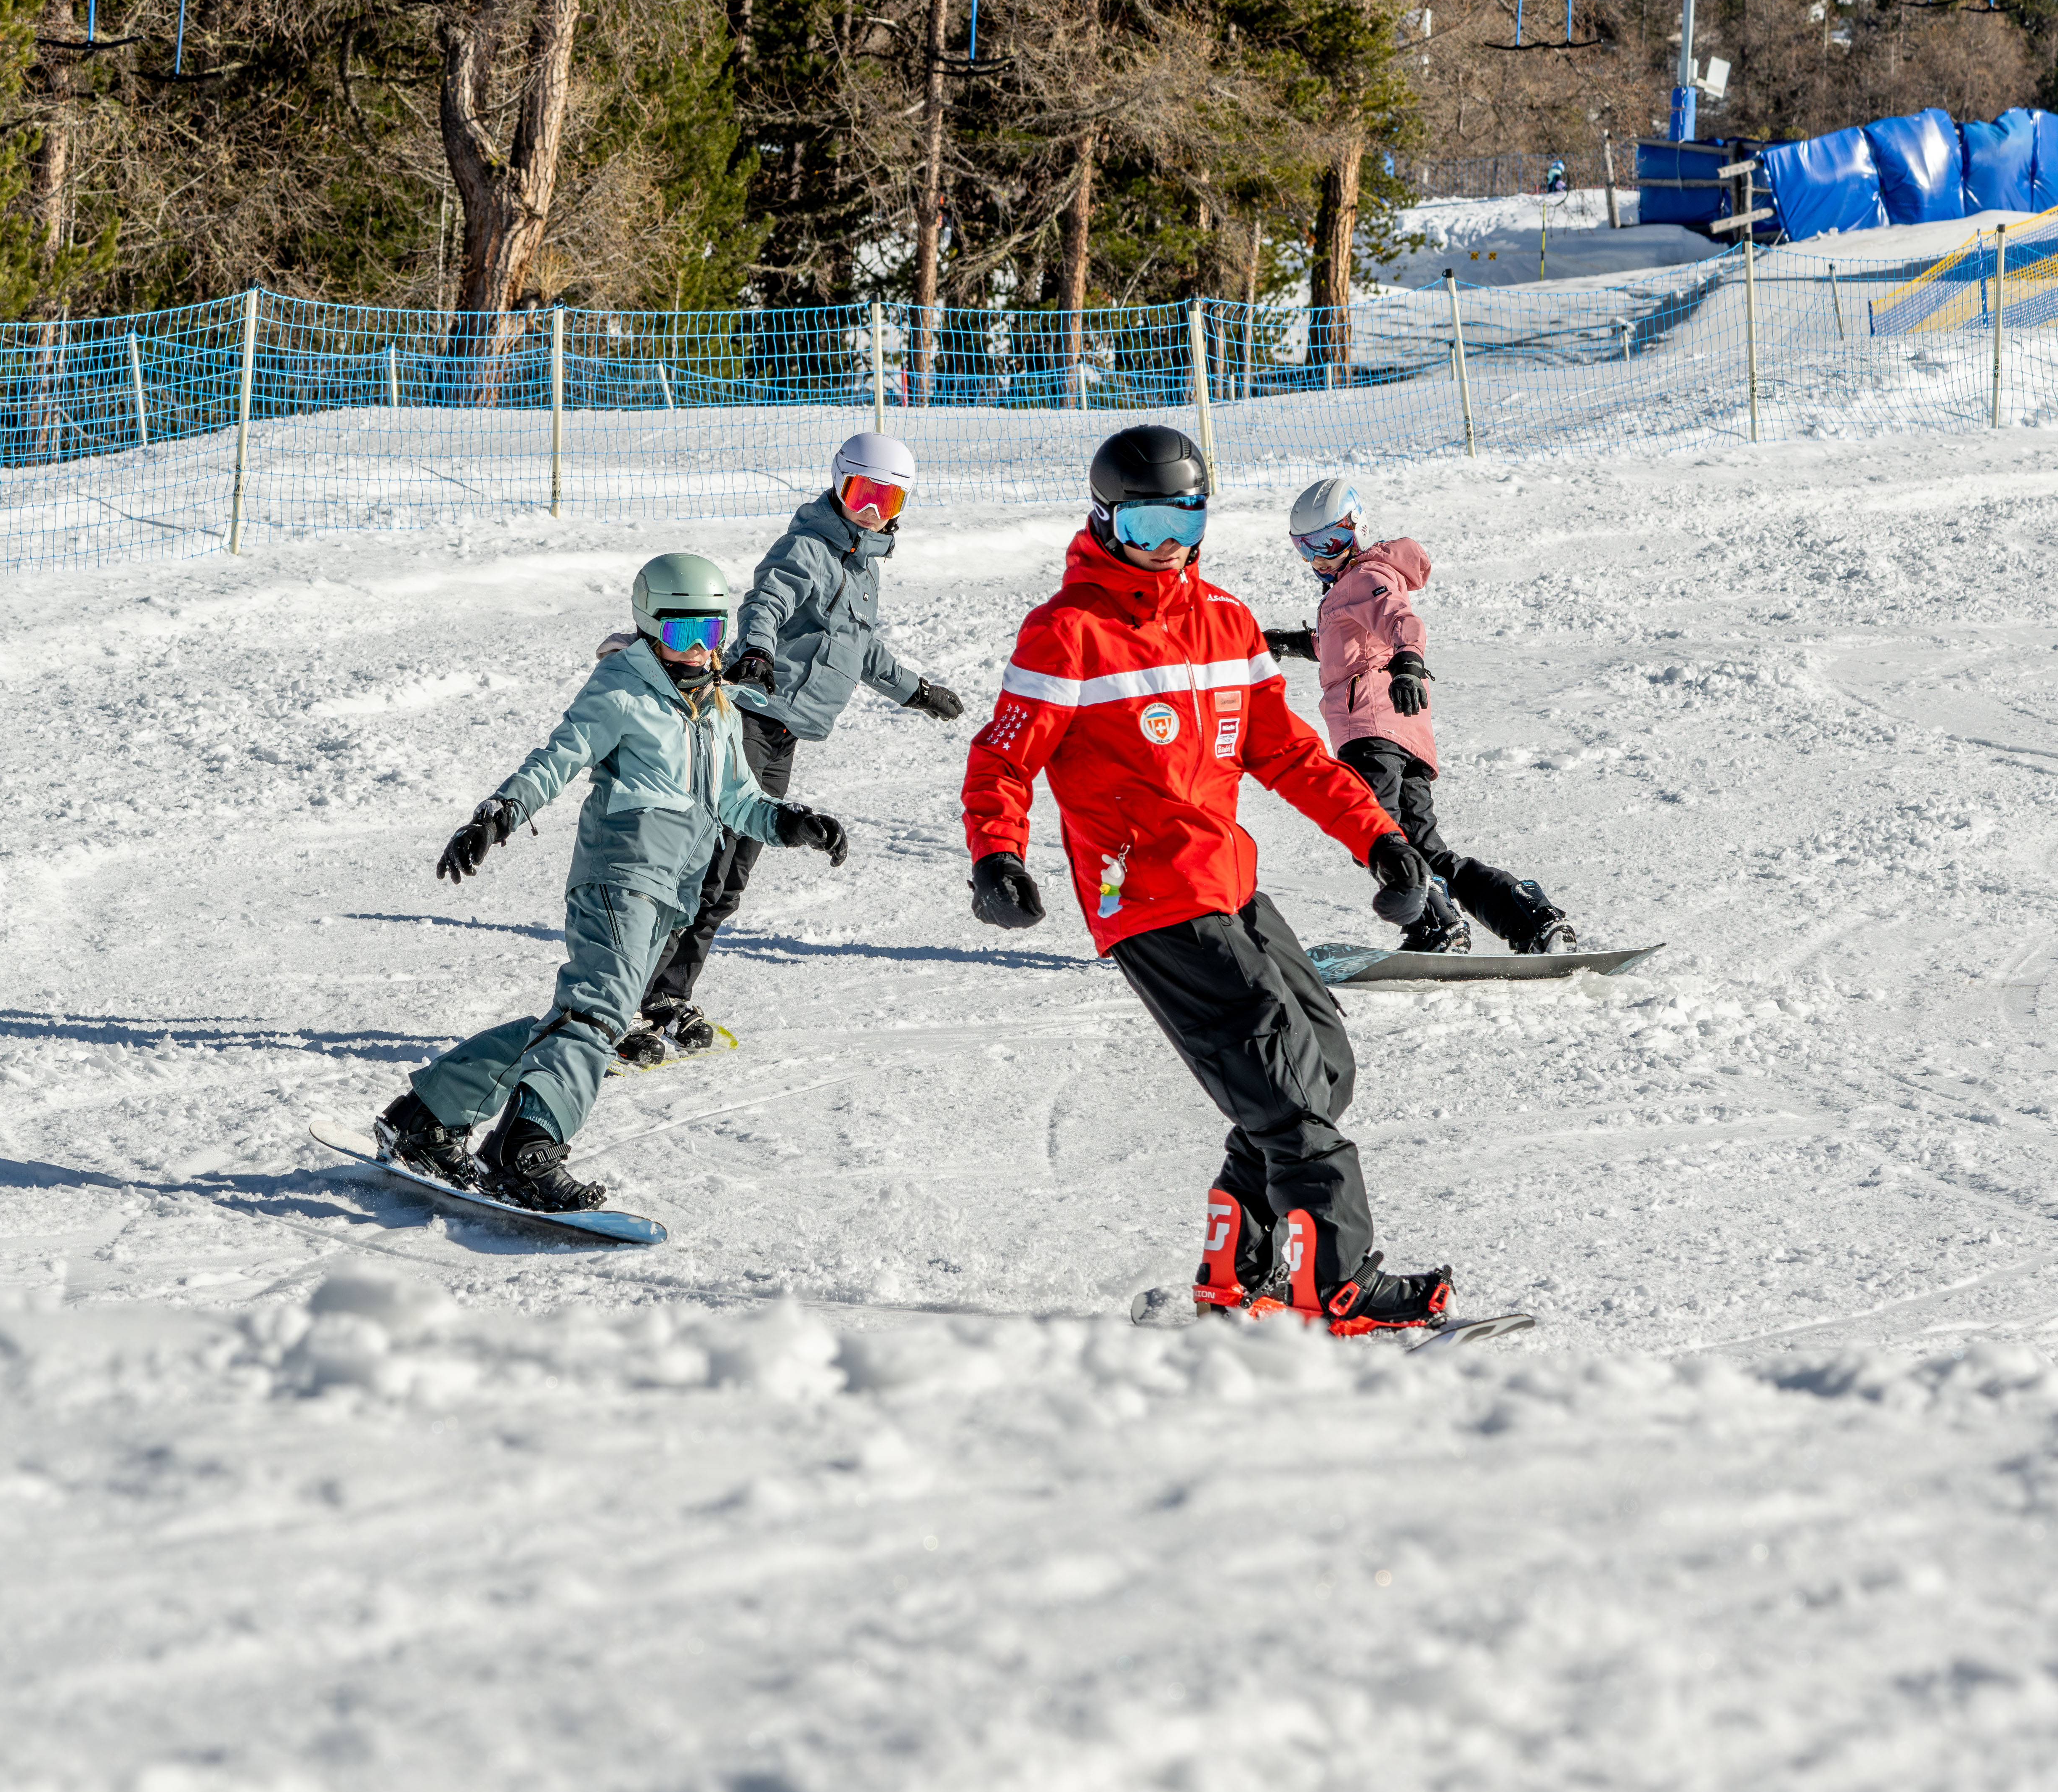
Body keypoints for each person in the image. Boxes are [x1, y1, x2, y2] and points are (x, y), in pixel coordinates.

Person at [961, 426, 1455, 1334]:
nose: (1165, 544)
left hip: (1227, 879)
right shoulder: (1070, 632)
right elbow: (1001, 759)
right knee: (1283, 1081)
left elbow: (1291, 753)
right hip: (1142, 894)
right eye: (1144, 522)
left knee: (1322, 1061)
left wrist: (1378, 839)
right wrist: (998, 855)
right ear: (1105, 519)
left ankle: (1240, 1263)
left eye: (1182, 519)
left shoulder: (1225, 621)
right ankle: (1338, 1285)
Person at [381, 553, 853, 1211]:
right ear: (649, 625)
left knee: (579, 1021)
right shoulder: (622, 690)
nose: (697, 652)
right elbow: (558, 758)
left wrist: (791, 822)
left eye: (711, 635)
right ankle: (528, 1149)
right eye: (682, 635)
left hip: (671, 893)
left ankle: (428, 1115)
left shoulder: (717, 707)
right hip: (618, 876)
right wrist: (501, 813)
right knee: (599, 1016)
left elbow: (739, 800)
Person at [623, 431, 964, 1063]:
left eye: (884, 500)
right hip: (746, 722)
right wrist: (755, 651)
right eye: (860, 493)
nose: (869, 511)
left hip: (783, 737)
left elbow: (861, 651)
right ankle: (627, 1005)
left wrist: (915, 692)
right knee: (701, 869)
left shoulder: (863, 569)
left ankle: (669, 996)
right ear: (837, 484)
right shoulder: (808, 547)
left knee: (729, 882)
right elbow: (768, 602)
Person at [1263, 477, 1578, 958]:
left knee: (1371, 829)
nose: (1320, 558)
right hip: (1402, 732)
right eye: (1306, 548)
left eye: (1330, 541)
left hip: (1370, 728)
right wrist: (1289, 642)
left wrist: (1409, 662)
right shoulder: (1349, 587)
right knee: (1424, 849)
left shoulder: (1366, 578)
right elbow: (1344, 645)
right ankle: (1528, 917)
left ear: (1358, 528)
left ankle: (1438, 923)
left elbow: (1401, 622)